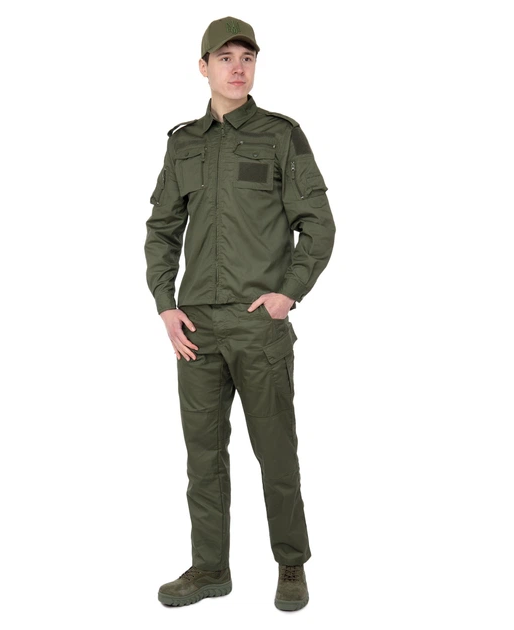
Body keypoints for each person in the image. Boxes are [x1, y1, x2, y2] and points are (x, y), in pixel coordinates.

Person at [144, 16, 335, 611]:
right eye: (224, 57)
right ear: (203, 67)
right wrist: (166, 305)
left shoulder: (281, 136)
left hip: (259, 325)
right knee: (203, 458)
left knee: (275, 451)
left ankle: (291, 564)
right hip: (196, 328)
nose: (237, 68)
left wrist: (288, 293)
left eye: (246, 58)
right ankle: (209, 570)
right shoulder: (183, 143)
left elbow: (318, 225)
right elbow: (161, 230)